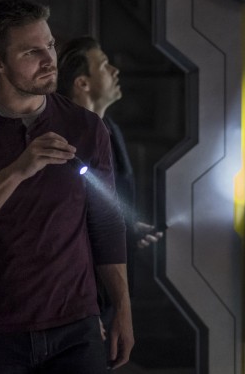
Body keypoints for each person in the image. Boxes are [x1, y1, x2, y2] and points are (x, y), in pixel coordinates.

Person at [0, 0, 134, 373]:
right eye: (31, 52)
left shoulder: (86, 127)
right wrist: (19, 170)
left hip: (77, 325)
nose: (49, 59)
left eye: (50, 45)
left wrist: (122, 308)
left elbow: (105, 223)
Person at [56, 36, 164, 317]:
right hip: (82, 300)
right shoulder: (67, 139)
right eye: (104, 65)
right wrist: (83, 307)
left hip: (107, 294)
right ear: (82, 83)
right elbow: (65, 227)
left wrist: (129, 229)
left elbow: (103, 208)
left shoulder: (110, 130)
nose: (115, 71)